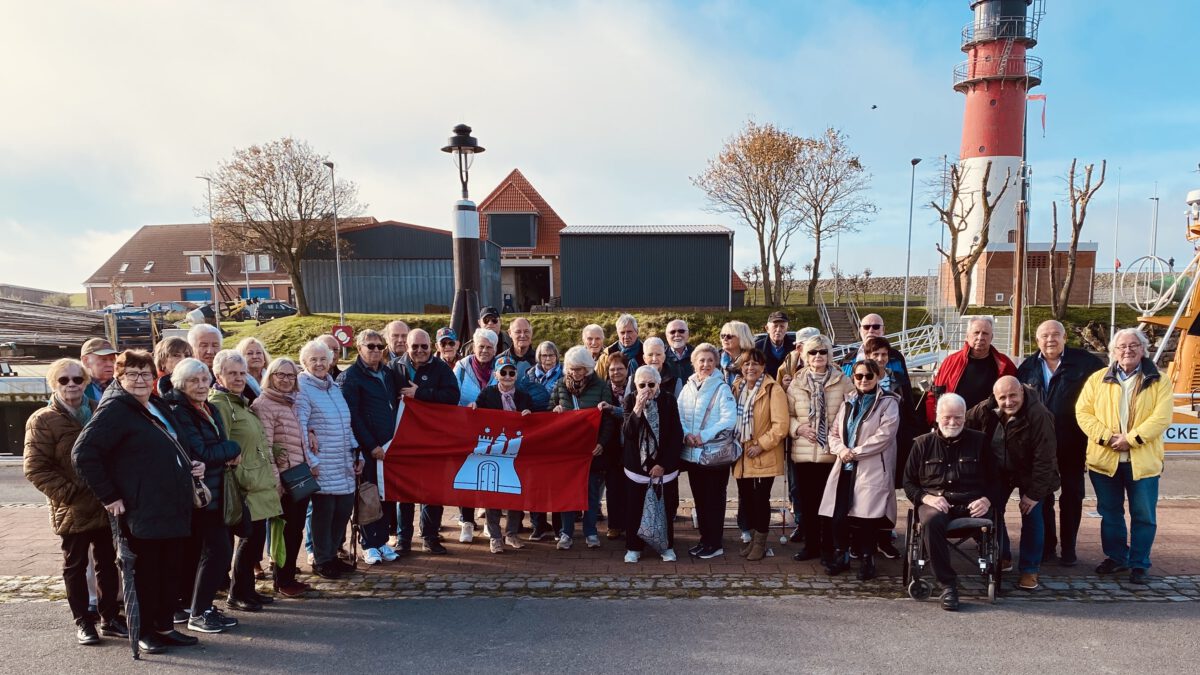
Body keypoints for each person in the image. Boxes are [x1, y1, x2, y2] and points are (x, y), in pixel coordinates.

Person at [73, 350, 203, 653]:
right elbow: (84, 453)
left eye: (145, 373)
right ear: (119, 377)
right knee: (146, 575)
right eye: (132, 374)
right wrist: (109, 496)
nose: (141, 379)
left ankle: (164, 626)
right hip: (142, 507)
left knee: (170, 571)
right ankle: (144, 630)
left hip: (171, 505)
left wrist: (193, 464)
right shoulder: (116, 410)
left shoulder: (154, 404)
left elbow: (174, 444)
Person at [24, 358, 127, 645]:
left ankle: (111, 617)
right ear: (53, 384)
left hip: (104, 502)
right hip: (72, 507)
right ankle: (84, 621)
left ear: (86, 382)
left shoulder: (98, 411)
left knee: (108, 562)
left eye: (77, 379)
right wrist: (69, 494)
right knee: (75, 564)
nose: (71, 385)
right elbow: (35, 468)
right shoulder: (43, 419)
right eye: (64, 380)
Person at [1075, 328, 1173, 585]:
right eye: (1121, 347)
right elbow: (1083, 413)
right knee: (1110, 513)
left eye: (1133, 346)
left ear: (1143, 349)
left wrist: (1131, 439)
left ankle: (1140, 563)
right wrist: (1107, 437)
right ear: (1113, 351)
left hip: (1142, 461)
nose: (1127, 350)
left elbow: (1161, 417)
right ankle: (1117, 557)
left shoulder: (1159, 380)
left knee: (1143, 515)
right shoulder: (1097, 379)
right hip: (1105, 460)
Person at [1016, 319, 1105, 566]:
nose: (1050, 340)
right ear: (1037, 341)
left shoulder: (1087, 364)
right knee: (1042, 497)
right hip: (1040, 447)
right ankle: (1047, 547)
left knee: (1072, 497)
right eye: (1044, 336)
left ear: (1065, 337)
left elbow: (1102, 399)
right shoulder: (1027, 368)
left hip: (1073, 444)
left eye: (1055, 334)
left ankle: (1069, 549)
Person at [161, 358, 241, 633]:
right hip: (202, 495)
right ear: (181, 384)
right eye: (194, 381)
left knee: (205, 551)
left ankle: (195, 606)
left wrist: (222, 452)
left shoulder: (207, 408)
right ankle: (200, 612)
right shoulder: (180, 411)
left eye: (205, 379)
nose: (201, 385)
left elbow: (212, 450)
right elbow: (202, 454)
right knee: (217, 551)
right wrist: (232, 449)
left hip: (214, 489)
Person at [966, 376, 1060, 590]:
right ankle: (1003, 556)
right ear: (995, 397)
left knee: (1032, 514)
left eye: (1013, 396)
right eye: (1003, 398)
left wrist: (1034, 494)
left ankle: (1029, 569)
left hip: (1032, 472)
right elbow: (962, 421)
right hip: (1000, 469)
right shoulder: (985, 409)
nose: (1008, 402)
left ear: (1022, 393)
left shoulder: (1040, 415)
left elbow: (1045, 459)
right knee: (992, 509)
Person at [903, 393, 993, 612]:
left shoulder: (980, 442)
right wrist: (927, 498)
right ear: (937, 416)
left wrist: (987, 499)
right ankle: (948, 586)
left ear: (965, 417)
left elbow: (997, 480)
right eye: (947, 417)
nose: (952, 422)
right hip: (934, 504)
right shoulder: (922, 444)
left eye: (958, 418)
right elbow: (908, 482)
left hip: (971, 503)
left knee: (987, 518)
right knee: (931, 522)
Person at [209, 350, 282, 611]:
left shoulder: (239, 401)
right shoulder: (220, 403)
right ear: (218, 375)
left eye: (241, 373)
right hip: (244, 484)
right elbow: (223, 445)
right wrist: (240, 478)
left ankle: (247, 589)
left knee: (256, 538)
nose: (239, 378)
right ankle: (237, 593)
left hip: (258, 480)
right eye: (232, 373)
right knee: (247, 538)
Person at [818, 359, 900, 580]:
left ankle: (867, 559)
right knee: (838, 515)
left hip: (870, 467)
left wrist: (855, 452)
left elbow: (884, 436)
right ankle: (841, 556)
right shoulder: (848, 402)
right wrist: (842, 450)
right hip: (845, 466)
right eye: (859, 376)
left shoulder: (889, 403)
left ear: (877, 377)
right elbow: (834, 433)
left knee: (866, 518)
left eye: (869, 376)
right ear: (853, 378)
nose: (864, 380)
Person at [295, 339, 362, 580]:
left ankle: (333, 554)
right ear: (304, 363)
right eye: (313, 359)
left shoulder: (333, 387)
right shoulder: (301, 388)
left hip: (343, 461)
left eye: (323, 359)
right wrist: (311, 461)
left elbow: (347, 423)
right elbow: (301, 427)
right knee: (324, 514)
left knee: (342, 510)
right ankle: (321, 559)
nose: (319, 363)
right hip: (322, 463)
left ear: (331, 360)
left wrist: (358, 452)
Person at [336, 329, 402, 565]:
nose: (376, 350)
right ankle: (368, 543)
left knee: (385, 495)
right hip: (368, 449)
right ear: (359, 348)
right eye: (370, 346)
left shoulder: (388, 372)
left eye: (379, 346)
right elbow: (352, 416)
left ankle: (382, 540)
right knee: (368, 496)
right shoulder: (350, 377)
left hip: (389, 447)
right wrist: (371, 445)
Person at [787, 334, 853, 564]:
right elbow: (787, 415)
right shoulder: (796, 383)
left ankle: (828, 547)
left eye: (822, 352)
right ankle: (811, 545)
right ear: (805, 356)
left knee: (829, 505)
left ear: (829, 354)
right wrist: (799, 429)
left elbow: (850, 415)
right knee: (807, 503)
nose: (818, 357)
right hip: (804, 452)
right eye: (813, 352)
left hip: (831, 454)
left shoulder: (842, 381)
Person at [251, 357, 313, 598]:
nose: (286, 380)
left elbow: (299, 432)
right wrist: (276, 481)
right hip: (283, 480)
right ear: (271, 376)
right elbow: (265, 446)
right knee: (283, 530)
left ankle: (289, 575)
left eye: (291, 376)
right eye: (281, 375)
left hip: (299, 474)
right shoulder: (264, 404)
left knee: (295, 529)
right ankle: (282, 579)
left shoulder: (292, 402)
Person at [396, 328, 460, 553]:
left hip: (433, 440)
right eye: (415, 346)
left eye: (424, 346)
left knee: (432, 490)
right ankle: (404, 539)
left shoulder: (441, 368)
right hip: (404, 440)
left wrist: (421, 393)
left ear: (431, 346)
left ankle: (430, 536)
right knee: (403, 493)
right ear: (407, 346)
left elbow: (453, 397)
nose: (420, 351)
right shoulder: (395, 368)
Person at [550, 346, 617, 550]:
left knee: (591, 492)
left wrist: (601, 443)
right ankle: (566, 533)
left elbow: (608, 420)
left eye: (579, 369)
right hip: (568, 450)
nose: (575, 373)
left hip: (591, 449)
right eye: (571, 368)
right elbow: (549, 411)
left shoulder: (601, 386)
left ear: (588, 368)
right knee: (568, 493)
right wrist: (555, 410)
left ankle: (591, 532)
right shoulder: (560, 385)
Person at [677, 342, 737, 559]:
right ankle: (705, 539)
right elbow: (680, 414)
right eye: (701, 360)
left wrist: (702, 436)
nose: (706, 364)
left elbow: (729, 419)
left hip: (714, 455)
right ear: (694, 363)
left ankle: (715, 542)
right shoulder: (688, 387)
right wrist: (686, 434)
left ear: (716, 363)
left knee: (714, 500)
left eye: (710, 360)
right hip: (693, 455)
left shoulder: (722, 388)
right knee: (700, 499)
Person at [468, 354, 532, 553]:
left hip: (515, 452)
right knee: (492, 494)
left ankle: (512, 533)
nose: (507, 376)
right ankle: (495, 536)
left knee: (515, 492)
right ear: (496, 374)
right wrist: (473, 408)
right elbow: (475, 414)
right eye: (503, 372)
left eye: (511, 372)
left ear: (516, 375)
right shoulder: (487, 394)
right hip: (493, 451)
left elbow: (536, 421)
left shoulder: (523, 396)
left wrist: (529, 415)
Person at [730, 349, 788, 562]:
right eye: (746, 364)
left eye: (755, 364)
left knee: (761, 500)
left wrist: (761, 445)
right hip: (742, 454)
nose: (750, 368)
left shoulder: (773, 389)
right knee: (746, 500)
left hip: (763, 453)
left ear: (763, 367)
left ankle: (761, 544)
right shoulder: (737, 387)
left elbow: (781, 425)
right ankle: (753, 539)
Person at [621, 365, 683, 563]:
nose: (647, 388)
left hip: (663, 467)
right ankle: (634, 547)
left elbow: (676, 435)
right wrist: (637, 409)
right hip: (636, 466)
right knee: (634, 508)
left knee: (664, 507)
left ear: (658, 384)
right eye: (642, 384)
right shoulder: (630, 400)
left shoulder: (668, 400)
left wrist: (663, 463)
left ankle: (666, 546)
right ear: (635, 385)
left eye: (651, 384)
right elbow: (628, 433)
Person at [862, 335, 913, 558]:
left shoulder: (898, 379)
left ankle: (884, 538)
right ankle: (862, 540)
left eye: (884, 355)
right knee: (862, 494)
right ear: (868, 356)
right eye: (876, 355)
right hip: (863, 445)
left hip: (892, 443)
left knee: (887, 493)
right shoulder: (860, 377)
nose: (881, 359)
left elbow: (909, 408)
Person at [925, 317, 1016, 425]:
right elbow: (934, 395)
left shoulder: (1004, 364)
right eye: (976, 332)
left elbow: (1018, 396)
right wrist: (934, 421)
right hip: (955, 425)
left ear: (992, 337)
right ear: (967, 336)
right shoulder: (950, 362)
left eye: (985, 333)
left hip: (992, 428)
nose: (980, 337)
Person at [453, 329, 498, 542]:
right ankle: (467, 522)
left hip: (493, 432)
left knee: (490, 478)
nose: (485, 350)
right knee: (468, 477)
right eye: (481, 346)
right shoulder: (461, 367)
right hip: (465, 429)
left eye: (489, 347)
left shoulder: (500, 368)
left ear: (495, 349)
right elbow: (453, 394)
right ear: (474, 346)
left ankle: (491, 522)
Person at [755, 311, 795, 378]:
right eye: (775, 326)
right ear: (767, 329)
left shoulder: (795, 347)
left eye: (782, 326)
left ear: (787, 329)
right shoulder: (757, 348)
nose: (778, 329)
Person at [718, 321, 755, 386]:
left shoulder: (755, 360)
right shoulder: (715, 359)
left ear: (742, 338)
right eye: (723, 336)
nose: (725, 339)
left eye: (729, 336)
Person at [80, 337, 118, 402]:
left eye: (112, 359)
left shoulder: (121, 386)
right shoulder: (76, 387)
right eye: (103, 359)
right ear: (85, 361)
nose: (110, 364)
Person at [663, 319, 694, 385]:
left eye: (681, 331)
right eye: (672, 332)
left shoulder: (697, 355)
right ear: (666, 336)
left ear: (688, 334)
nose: (677, 334)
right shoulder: (661, 356)